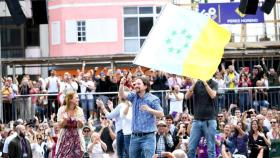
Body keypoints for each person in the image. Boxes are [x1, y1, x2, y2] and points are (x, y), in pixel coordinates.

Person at [119, 76, 164, 158]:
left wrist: (149, 109)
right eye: (135, 84)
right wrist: (121, 84)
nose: (136, 85)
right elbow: (122, 95)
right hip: (134, 137)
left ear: (146, 86)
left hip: (148, 137)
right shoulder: (133, 96)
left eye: (139, 84)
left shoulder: (153, 99)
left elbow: (161, 114)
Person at [185, 79, 218, 158]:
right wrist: (193, 84)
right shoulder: (197, 83)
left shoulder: (214, 83)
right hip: (197, 120)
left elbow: (213, 95)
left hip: (210, 120)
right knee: (191, 148)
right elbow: (186, 96)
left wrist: (205, 83)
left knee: (211, 149)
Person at [55, 91, 85, 158]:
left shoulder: (80, 110)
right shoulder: (61, 109)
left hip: (77, 137)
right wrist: (65, 120)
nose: (78, 99)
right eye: (76, 98)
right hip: (65, 137)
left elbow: (81, 126)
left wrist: (79, 121)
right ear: (70, 99)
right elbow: (60, 125)